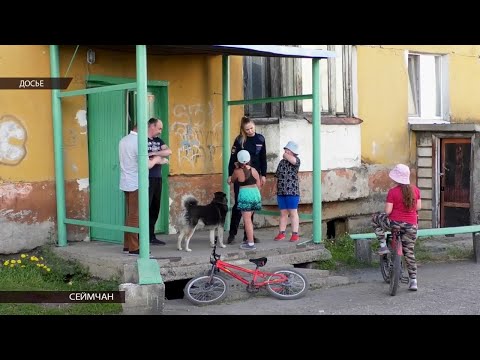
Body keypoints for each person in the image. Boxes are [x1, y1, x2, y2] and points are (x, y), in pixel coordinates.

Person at [371, 164, 421, 291]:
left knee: (375, 219)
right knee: (409, 252)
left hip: (394, 223)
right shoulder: (415, 190)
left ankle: (383, 245)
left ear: (396, 178)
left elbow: (388, 211)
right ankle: (413, 281)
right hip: (411, 226)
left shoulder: (393, 192)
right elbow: (418, 208)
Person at [119, 124, 167, 256]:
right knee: (135, 216)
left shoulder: (124, 140)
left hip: (126, 181)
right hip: (136, 183)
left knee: (130, 214)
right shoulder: (139, 142)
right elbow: (147, 164)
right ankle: (134, 248)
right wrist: (157, 159)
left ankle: (127, 244)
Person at [227, 116, 267, 244]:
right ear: (243, 130)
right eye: (247, 129)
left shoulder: (260, 139)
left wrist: (264, 175)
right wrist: (230, 174)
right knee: (239, 205)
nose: (250, 131)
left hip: (254, 175)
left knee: (251, 204)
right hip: (242, 176)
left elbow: (263, 158)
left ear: (254, 125)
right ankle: (232, 233)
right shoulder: (240, 140)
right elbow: (232, 159)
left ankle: (248, 235)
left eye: (251, 128)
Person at [147, 118, 172, 246]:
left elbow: (168, 151)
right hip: (147, 178)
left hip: (157, 178)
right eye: (159, 128)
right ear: (152, 126)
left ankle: (151, 236)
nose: (160, 131)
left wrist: (154, 153)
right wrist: (160, 159)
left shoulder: (158, 141)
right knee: (146, 207)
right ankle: (142, 236)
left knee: (155, 208)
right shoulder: (142, 140)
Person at [231, 150, 262, 250]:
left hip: (245, 194)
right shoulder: (254, 170)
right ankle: (249, 240)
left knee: (247, 220)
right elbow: (259, 184)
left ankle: (251, 243)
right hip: (255, 194)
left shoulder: (237, 171)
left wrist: (236, 167)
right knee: (249, 219)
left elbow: (232, 180)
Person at [273, 141, 301, 242]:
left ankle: (295, 234)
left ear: (292, 152)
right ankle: (281, 233)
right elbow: (276, 176)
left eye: (287, 150)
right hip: (281, 191)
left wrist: (286, 154)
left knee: (293, 213)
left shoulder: (296, 160)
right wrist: (274, 188)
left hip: (292, 191)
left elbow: (293, 161)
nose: (285, 151)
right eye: (285, 149)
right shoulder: (281, 162)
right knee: (283, 213)